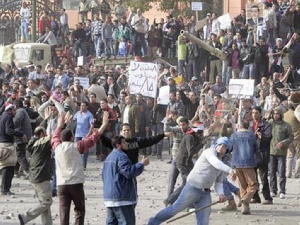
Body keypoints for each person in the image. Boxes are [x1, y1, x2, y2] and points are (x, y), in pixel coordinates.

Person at [148, 137, 235, 225]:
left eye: (224, 146)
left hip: (205, 193)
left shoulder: (222, 165)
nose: (221, 147)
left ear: (227, 150)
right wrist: (230, 170)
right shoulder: (209, 152)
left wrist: (221, 193)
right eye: (220, 145)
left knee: (204, 220)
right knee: (175, 209)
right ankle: (152, 222)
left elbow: (218, 182)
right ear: (216, 145)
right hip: (192, 188)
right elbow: (215, 162)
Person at [51, 112, 109, 225]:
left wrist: (59, 125)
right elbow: (93, 138)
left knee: (63, 211)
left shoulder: (57, 147)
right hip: (76, 183)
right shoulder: (77, 146)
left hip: (62, 184)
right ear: (72, 137)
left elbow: (54, 136)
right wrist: (104, 124)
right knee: (79, 210)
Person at [102, 136, 149, 225]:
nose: (127, 143)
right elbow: (129, 172)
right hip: (122, 199)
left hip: (109, 199)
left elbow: (103, 176)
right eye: (124, 142)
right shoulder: (121, 156)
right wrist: (141, 164)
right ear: (118, 145)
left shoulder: (109, 157)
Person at [18, 127, 53, 225]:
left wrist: (45, 120)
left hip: (34, 177)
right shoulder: (41, 144)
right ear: (42, 134)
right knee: (46, 202)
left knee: (44, 203)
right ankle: (25, 217)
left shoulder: (33, 143)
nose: (46, 135)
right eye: (45, 133)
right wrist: (63, 124)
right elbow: (54, 135)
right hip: (41, 177)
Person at [230, 121, 259, 215]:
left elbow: (230, 149)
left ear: (240, 126)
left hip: (237, 163)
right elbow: (256, 149)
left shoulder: (234, 135)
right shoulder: (251, 136)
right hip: (249, 163)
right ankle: (245, 200)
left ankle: (245, 207)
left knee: (243, 185)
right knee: (253, 185)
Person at [269, 107, 293, 199]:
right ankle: (273, 190)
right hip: (271, 151)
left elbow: (291, 137)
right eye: (274, 113)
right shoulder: (270, 123)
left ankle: (282, 191)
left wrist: (283, 142)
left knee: (282, 172)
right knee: (271, 172)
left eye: (277, 113)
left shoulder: (286, 125)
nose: (276, 115)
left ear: (281, 115)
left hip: (282, 153)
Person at [0, 104, 23, 195]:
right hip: (7, 145)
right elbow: (8, 130)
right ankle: (5, 189)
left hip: (3, 144)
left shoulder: (2, 116)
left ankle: (4, 188)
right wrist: (20, 134)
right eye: (14, 110)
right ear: (10, 110)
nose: (15, 112)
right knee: (8, 168)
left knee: (5, 167)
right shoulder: (8, 117)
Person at [73, 101, 94, 170]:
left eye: (84, 106)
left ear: (87, 107)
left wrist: (88, 134)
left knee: (85, 151)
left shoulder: (89, 114)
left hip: (85, 135)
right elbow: (73, 120)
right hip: (77, 134)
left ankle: (83, 166)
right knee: (76, 150)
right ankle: (77, 165)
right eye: (81, 105)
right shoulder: (77, 113)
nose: (82, 107)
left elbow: (92, 125)